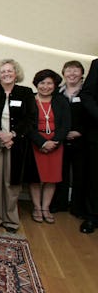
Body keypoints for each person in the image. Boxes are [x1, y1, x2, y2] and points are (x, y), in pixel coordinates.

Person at [0, 59, 36, 233]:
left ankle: (11, 220)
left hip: (17, 144)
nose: (6, 74)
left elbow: (30, 119)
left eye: (9, 71)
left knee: (12, 182)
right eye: (3, 71)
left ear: (16, 73)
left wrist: (12, 135)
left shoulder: (26, 92)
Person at [24, 69, 70, 224]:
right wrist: (42, 142)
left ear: (55, 84)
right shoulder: (30, 99)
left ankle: (46, 208)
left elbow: (66, 124)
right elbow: (27, 124)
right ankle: (37, 207)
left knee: (51, 178)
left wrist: (54, 142)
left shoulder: (61, 100)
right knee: (36, 178)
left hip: (56, 143)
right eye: (42, 83)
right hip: (36, 142)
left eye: (49, 83)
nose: (45, 86)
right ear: (36, 84)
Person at [52, 60, 87, 217]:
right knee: (61, 172)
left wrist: (80, 131)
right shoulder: (57, 93)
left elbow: (91, 116)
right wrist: (61, 133)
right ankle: (60, 203)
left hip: (82, 139)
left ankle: (78, 207)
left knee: (81, 175)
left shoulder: (87, 92)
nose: (72, 74)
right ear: (63, 73)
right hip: (61, 138)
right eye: (68, 71)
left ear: (82, 74)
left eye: (75, 71)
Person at [80, 58, 98, 233]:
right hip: (97, 131)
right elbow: (86, 95)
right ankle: (92, 217)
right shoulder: (97, 64)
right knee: (95, 177)